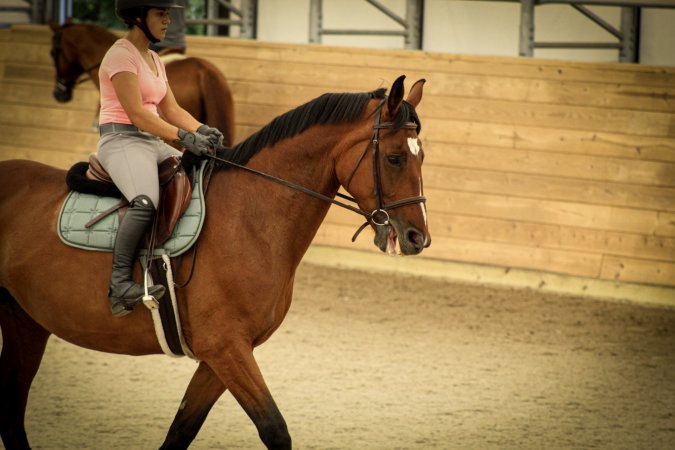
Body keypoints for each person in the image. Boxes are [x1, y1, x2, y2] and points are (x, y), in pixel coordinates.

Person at [98, 0, 223, 317]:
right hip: (122, 139)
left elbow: (172, 109)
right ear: (139, 17)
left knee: (205, 174)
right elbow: (138, 113)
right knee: (144, 201)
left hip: (151, 141)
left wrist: (204, 130)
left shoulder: (154, 58)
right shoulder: (120, 55)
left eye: (168, 13)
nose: (168, 19)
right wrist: (183, 138)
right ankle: (120, 285)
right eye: (160, 13)